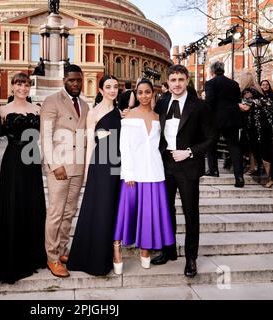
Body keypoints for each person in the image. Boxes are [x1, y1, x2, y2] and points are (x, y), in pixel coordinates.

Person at [152, 65, 215, 278]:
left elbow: (210, 138)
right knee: (166, 211)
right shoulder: (161, 104)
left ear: (187, 80)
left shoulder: (199, 106)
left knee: (190, 213)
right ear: (167, 82)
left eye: (180, 79)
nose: (177, 83)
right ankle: (168, 251)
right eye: (173, 79)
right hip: (165, 165)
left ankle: (191, 259)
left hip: (188, 166)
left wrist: (188, 152)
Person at [112, 79, 175, 274]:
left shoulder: (159, 118)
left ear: (153, 94)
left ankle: (145, 249)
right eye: (140, 92)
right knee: (127, 211)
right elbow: (124, 147)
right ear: (136, 95)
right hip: (133, 172)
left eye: (148, 92)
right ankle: (117, 248)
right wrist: (128, 172)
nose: (144, 96)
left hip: (155, 173)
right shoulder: (128, 116)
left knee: (148, 214)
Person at [0, 73, 47, 284]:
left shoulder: (38, 110)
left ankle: (33, 255)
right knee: (14, 205)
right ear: (12, 87)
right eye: (19, 84)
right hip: (13, 160)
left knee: (32, 205)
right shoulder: (3, 110)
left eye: (26, 85)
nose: (23, 88)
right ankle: (14, 257)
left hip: (33, 161)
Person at [66, 75, 122, 276]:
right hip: (101, 163)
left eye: (115, 87)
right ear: (100, 90)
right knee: (100, 208)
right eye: (108, 87)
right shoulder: (94, 113)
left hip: (118, 163)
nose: (112, 90)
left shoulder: (120, 112)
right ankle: (94, 259)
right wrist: (88, 173)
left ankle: (111, 252)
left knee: (113, 207)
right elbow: (90, 144)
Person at [40, 64, 88, 278]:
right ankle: (52, 257)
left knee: (69, 212)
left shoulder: (85, 106)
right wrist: (54, 164)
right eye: (71, 80)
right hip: (59, 167)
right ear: (64, 81)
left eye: (78, 80)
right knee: (56, 212)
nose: (75, 83)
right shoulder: (52, 102)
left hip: (77, 167)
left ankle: (62, 249)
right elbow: (45, 136)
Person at [239, 71, 273, 188]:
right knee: (269, 150)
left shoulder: (248, 91)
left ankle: (271, 178)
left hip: (260, 126)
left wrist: (233, 104)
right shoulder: (258, 91)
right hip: (270, 124)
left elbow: (245, 107)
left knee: (263, 152)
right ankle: (272, 177)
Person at [204, 61, 244, 187]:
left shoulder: (210, 83)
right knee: (234, 146)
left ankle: (213, 170)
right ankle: (239, 177)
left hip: (215, 118)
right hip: (232, 118)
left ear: (212, 71)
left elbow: (209, 101)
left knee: (211, 144)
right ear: (223, 70)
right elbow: (238, 100)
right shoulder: (234, 83)